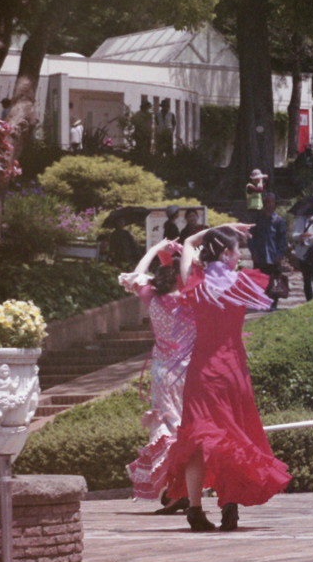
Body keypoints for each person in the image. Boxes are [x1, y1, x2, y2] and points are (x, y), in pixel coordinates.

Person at [163, 225, 291, 532]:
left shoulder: (195, 281)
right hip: (233, 369)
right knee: (234, 435)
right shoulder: (243, 282)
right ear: (225, 253)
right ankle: (229, 505)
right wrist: (224, 230)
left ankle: (195, 509)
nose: (239, 258)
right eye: (236, 252)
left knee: (198, 439)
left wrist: (218, 230)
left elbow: (190, 242)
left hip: (203, 370)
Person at [119, 239, 196, 513]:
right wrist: (185, 251)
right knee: (190, 430)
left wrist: (156, 249)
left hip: (163, 374)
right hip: (191, 371)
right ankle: (187, 491)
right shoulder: (191, 297)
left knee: (170, 430)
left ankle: (177, 492)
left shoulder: (152, 297)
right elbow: (199, 272)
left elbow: (135, 276)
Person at [248, 193, 288, 310]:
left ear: (275, 204)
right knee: (260, 281)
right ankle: (261, 303)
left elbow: (282, 239)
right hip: (260, 256)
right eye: (267, 202)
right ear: (264, 204)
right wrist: (253, 252)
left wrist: (280, 254)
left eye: (271, 202)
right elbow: (251, 237)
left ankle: (273, 304)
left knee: (274, 281)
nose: (269, 204)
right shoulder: (258, 219)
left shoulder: (278, 220)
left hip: (273, 256)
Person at [291, 213, 313, 301]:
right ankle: (309, 300)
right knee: (306, 278)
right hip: (303, 252)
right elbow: (294, 235)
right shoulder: (299, 220)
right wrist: (300, 236)